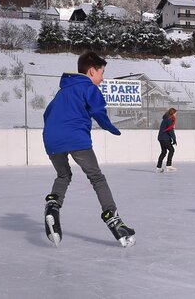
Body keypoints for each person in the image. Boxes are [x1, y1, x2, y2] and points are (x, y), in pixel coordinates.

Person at [41, 51, 136, 247]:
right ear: (92, 71)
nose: (102, 79)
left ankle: (53, 207)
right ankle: (113, 218)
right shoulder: (88, 88)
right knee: (96, 177)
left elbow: (47, 114)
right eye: (101, 74)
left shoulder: (62, 92)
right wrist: (111, 128)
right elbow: (98, 111)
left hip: (51, 139)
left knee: (63, 176)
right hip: (75, 138)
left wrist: (54, 133)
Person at [156, 108, 177, 173]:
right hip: (165, 138)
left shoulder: (165, 119)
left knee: (164, 152)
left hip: (161, 137)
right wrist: (174, 139)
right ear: (173, 113)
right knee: (171, 150)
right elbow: (170, 130)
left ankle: (158, 167)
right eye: (175, 113)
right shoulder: (170, 119)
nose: (176, 114)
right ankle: (168, 165)